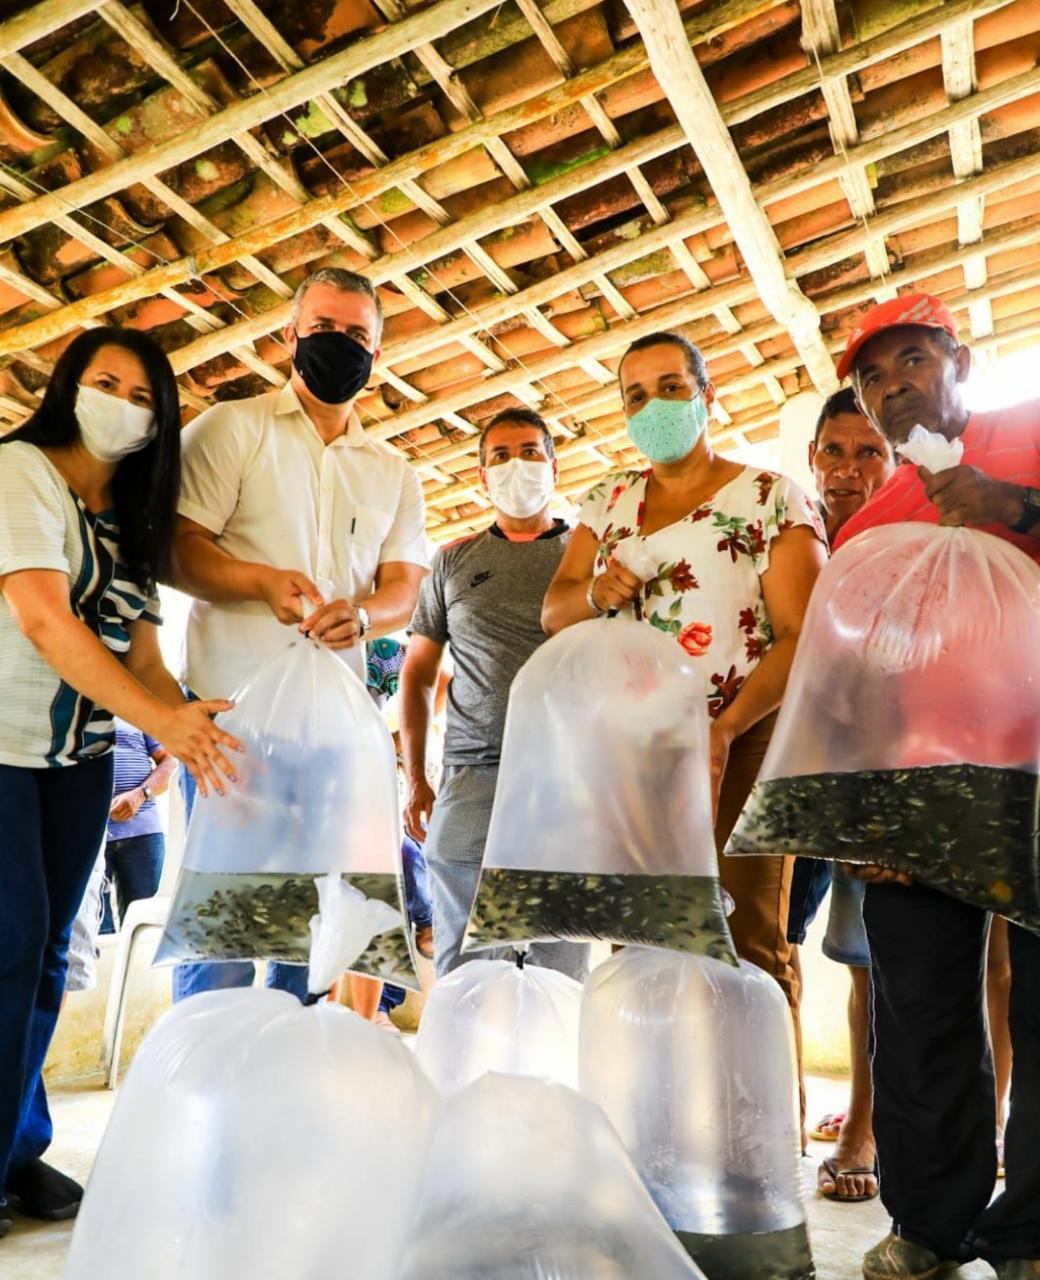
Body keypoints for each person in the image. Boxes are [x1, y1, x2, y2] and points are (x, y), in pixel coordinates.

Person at [542, 331, 827, 1100]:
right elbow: (555, 612)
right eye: (635, 396)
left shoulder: (771, 498)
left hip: (746, 732)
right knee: (639, 935)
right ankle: (652, 1129)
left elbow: (802, 636)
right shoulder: (608, 503)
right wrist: (597, 592)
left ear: (708, 395)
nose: (654, 407)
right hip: (635, 746)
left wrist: (725, 728)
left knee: (746, 942)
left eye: (671, 387)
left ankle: (754, 1154)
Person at [0, 328, 240, 1235]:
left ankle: (19, 1150)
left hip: (80, 762)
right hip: (4, 748)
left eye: (144, 398)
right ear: (69, 386)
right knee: (10, 950)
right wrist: (160, 720)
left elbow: (142, 652)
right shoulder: (20, 471)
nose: (124, 407)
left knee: (51, 958)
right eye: (108, 385)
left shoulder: (130, 518)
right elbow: (43, 621)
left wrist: (198, 722)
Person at [834, 293, 1040, 1280]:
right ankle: (926, 1220)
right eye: (870, 378)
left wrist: (1017, 508)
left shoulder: (1031, 433)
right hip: (919, 784)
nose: (889, 387)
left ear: (955, 359)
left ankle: (1031, 1227)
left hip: (1037, 768)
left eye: (908, 360)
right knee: (916, 1005)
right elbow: (861, 679)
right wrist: (864, 808)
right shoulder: (866, 526)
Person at [171, 267, 428, 1004]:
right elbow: (177, 547)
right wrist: (259, 581)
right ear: (288, 336)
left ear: (377, 353)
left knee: (314, 927)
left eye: (356, 335)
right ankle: (205, 1096)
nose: (336, 344)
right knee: (224, 919)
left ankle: (290, 1098)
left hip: (332, 724)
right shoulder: (232, 428)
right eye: (321, 328)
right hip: (230, 720)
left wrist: (366, 614)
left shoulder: (394, 471)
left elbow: (404, 586)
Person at [401, 408, 588, 981]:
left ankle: (551, 1070)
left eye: (531, 451)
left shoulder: (589, 554)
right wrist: (416, 778)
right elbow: (417, 675)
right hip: (471, 775)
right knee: (466, 959)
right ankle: (466, 1069)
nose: (516, 465)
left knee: (557, 952)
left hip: (568, 777)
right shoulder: (453, 562)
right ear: (482, 476)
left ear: (554, 466)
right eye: (500, 456)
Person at [779, 390, 895, 1200]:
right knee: (811, 953)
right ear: (812, 457)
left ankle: (868, 1126)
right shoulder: (793, 538)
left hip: (890, 778)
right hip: (804, 776)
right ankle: (812, 1110)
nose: (849, 469)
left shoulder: (914, 540)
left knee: (888, 960)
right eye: (834, 451)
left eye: (869, 452)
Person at [101, 719, 176, 932]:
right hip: (90, 835)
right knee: (94, 928)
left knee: (146, 928)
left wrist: (141, 794)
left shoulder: (133, 709)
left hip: (143, 835)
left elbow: (169, 761)